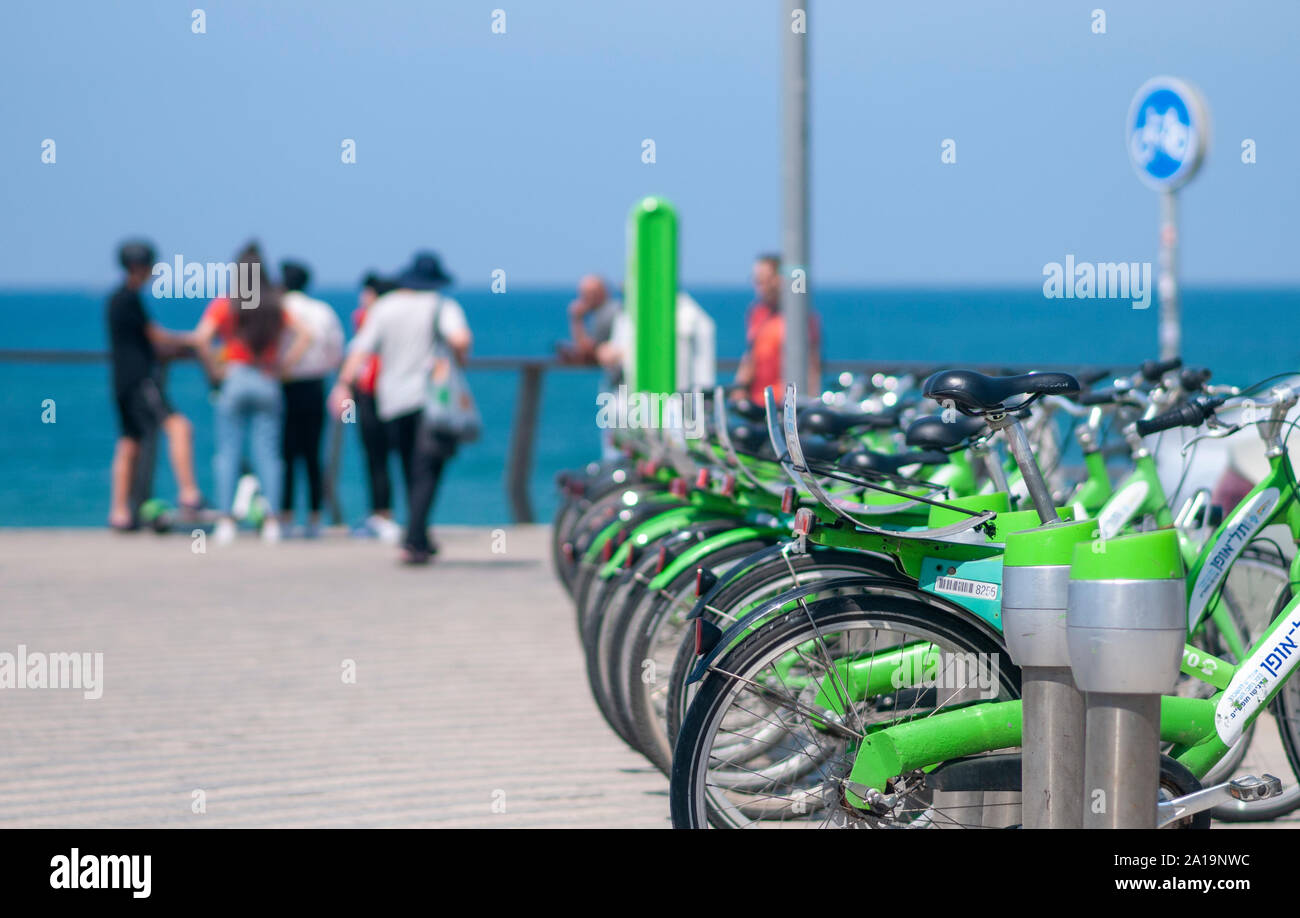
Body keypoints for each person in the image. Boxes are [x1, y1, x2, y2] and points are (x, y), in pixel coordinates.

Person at [331, 252, 471, 565]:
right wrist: (455, 359)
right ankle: (414, 537)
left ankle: (418, 535)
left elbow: (360, 350)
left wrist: (342, 385)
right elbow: (462, 340)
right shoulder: (441, 306)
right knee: (429, 467)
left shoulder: (384, 307)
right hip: (430, 399)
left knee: (408, 465)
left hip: (391, 400)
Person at [193, 244, 313, 546]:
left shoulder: (227, 304)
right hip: (267, 378)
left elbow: (200, 339)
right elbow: (306, 334)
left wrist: (214, 372)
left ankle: (226, 520)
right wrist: (284, 365)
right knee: (270, 455)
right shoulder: (274, 305)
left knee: (228, 452)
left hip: (234, 377)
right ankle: (273, 521)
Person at [105, 240, 204, 530]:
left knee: (129, 442)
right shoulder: (129, 299)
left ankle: (120, 512)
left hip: (121, 382)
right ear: (139, 267)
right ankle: (189, 494)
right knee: (179, 427)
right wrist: (191, 341)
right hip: (141, 380)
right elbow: (155, 337)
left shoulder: (115, 299)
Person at [278, 260, 343, 537]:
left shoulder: (278, 308)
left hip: (283, 385)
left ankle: (284, 517)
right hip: (315, 385)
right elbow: (335, 348)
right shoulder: (322, 311)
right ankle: (316, 518)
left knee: (285, 454)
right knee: (313, 454)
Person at [348, 272, 403, 542]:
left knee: (375, 457)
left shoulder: (370, 318)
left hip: (372, 393)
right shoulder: (398, 317)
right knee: (396, 457)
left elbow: (360, 353)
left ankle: (381, 515)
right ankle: (390, 516)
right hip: (399, 394)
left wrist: (344, 384)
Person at [731, 254, 822, 404]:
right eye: (756, 280)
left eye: (763, 280)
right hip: (758, 400)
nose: (758, 286)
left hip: (785, 403)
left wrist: (811, 401)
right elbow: (751, 355)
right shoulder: (757, 313)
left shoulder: (800, 318)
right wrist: (739, 388)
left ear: (779, 280)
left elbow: (812, 364)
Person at [560, 275, 622, 383]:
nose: (583, 298)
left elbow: (586, 350)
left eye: (587, 294)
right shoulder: (613, 309)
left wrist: (576, 318)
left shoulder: (606, 314)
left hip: (620, 378)